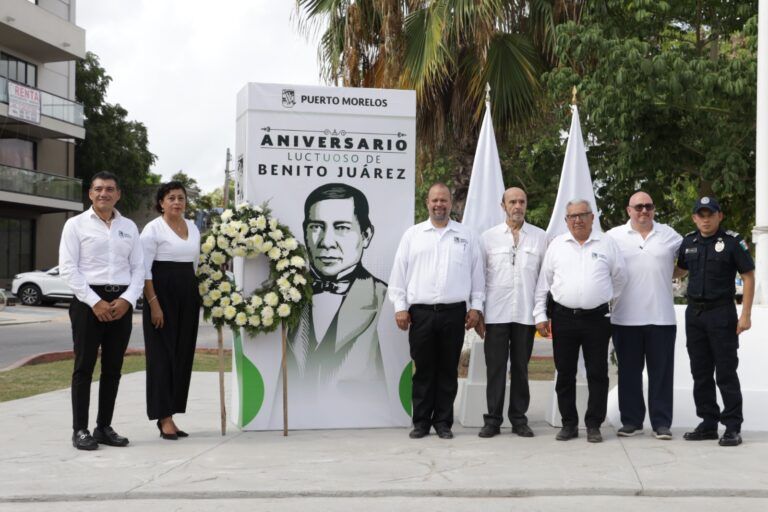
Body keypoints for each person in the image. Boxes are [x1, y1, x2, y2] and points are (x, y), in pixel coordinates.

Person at [388, 183, 485, 439]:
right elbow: (399, 274)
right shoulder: (413, 235)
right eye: (435, 200)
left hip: (455, 313)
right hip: (420, 313)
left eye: (444, 200)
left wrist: (476, 307)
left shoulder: (466, 235)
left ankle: (443, 422)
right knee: (424, 369)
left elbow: (477, 275)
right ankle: (420, 422)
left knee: (447, 370)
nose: (439, 204)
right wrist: (400, 307)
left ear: (451, 204)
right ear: (427, 203)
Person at [287, 183, 389, 420]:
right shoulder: (284, 296)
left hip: (361, 421)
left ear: (366, 235)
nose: (326, 241)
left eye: (341, 227)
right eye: (316, 227)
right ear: (304, 232)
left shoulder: (386, 300)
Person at [59, 171, 144, 450]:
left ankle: (103, 427)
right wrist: (94, 301)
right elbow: (68, 268)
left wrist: (127, 300)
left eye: (109, 189)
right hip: (87, 302)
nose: (103, 193)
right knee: (84, 367)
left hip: (121, 302)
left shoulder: (129, 227)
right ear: (90, 194)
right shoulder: (75, 225)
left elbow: (138, 268)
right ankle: (80, 430)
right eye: (98, 189)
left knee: (113, 368)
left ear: (118, 194)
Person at [533, 199, 627, 443]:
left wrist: (604, 300)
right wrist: (540, 315)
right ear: (566, 221)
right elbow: (544, 283)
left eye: (583, 215)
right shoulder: (557, 246)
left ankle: (594, 424)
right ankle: (569, 424)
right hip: (563, 317)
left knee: (598, 373)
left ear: (592, 217)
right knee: (565, 373)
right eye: (572, 216)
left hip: (597, 318)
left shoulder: (607, 244)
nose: (578, 220)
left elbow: (620, 279)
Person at [676, 196, 755, 447]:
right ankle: (708, 423)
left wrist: (746, 315)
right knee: (700, 372)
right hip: (695, 315)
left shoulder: (732, 242)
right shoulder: (688, 242)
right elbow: (678, 270)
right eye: (701, 214)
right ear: (694, 218)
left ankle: (732, 426)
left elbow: (748, 277)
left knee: (726, 372)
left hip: (722, 314)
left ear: (719, 216)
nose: (706, 219)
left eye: (710, 214)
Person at [607, 191, 683, 440]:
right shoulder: (613, 237)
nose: (644, 211)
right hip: (625, 317)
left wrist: (669, 274)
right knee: (629, 373)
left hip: (661, 317)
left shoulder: (669, 235)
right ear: (628, 210)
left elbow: (685, 263)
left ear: (654, 209)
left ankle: (661, 423)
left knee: (661, 374)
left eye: (648, 206)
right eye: (638, 206)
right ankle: (632, 422)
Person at [477, 187, 547, 438]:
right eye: (512, 202)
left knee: (521, 368)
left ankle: (519, 419)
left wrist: (540, 314)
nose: (517, 206)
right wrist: (479, 311)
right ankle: (493, 420)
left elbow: (543, 280)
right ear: (503, 205)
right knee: (495, 368)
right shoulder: (487, 238)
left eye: (522, 202)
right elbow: (479, 277)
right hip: (495, 315)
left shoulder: (540, 237)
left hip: (525, 315)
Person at [140, 181, 201, 440]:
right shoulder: (152, 230)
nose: (177, 202)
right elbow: (143, 271)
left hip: (187, 294)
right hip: (160, 294)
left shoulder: (194, 228)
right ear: (161, 202)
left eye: (181, 198)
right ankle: (162, 417)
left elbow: (195, 265)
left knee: (181, 355)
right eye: (171, 198)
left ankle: (172, 414)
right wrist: (154, 304)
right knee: (162, 357)